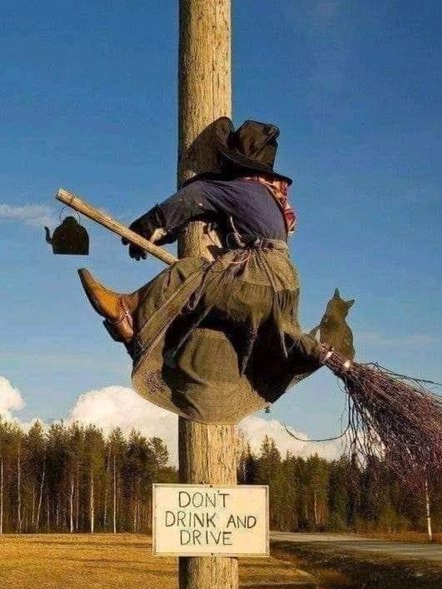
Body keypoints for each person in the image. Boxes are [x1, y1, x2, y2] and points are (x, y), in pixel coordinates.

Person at [78, 118, 324, 424]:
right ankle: (199, 375)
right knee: (211, 321)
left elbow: (194, 197)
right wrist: (162, 234)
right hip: (285, 286)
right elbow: (211, 213)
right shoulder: (268, 197)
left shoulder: (237, 188)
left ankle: (127, 309)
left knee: (190, 272)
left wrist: (150, 224)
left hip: (259, 274)